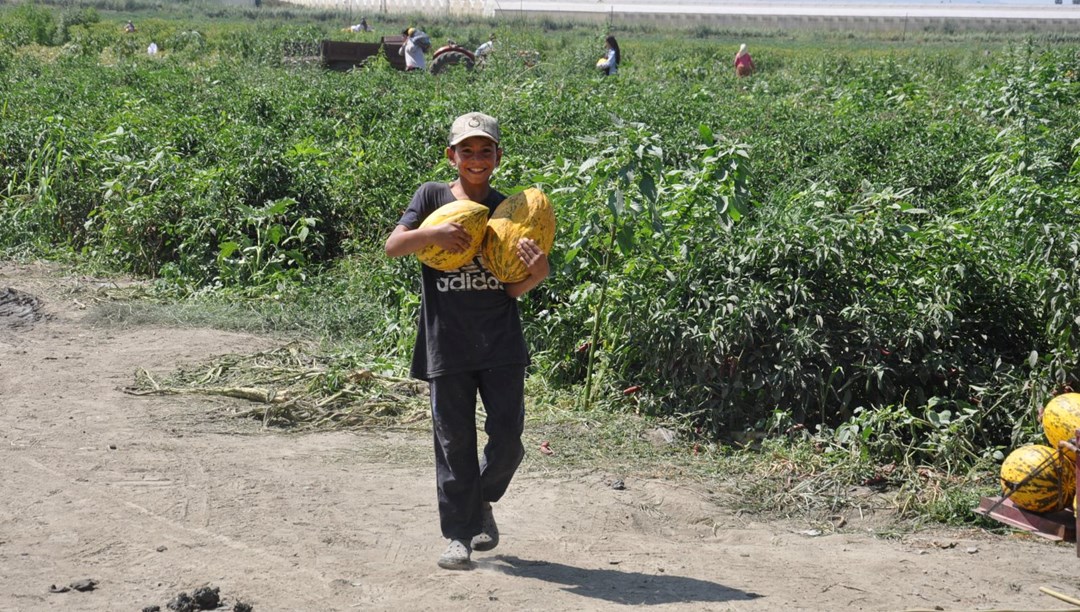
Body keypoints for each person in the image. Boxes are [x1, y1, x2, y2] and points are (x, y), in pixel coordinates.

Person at [384, 112, 550, 570]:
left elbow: (511, 287)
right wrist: (431, 233)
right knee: (453, 443)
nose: (476, 159)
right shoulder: (432, 197)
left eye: (485, 150)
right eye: (467, 151)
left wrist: (537, 274)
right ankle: (458, 535)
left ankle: (482, 501)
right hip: (447, 343)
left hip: (500, 343)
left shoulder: (509, 210)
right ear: (451, 155)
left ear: (498, 156)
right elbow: (393, 246)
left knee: (508, 440)